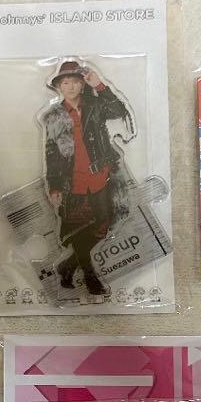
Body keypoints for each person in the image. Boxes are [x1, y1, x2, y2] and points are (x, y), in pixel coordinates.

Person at [41, 60, 131, 298]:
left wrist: (99, 85)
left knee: (104, 223)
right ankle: (91, 278)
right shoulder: (53, 117)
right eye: (65, 83)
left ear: (82, 84)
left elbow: (118, 111)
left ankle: (67, 266)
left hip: (101, 176)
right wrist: (55, 186)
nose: (70, 87)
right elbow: (51, 154)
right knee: (79, 229)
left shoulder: (95, 105)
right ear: (59, 87)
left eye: (75, 82)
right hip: (73, 183)